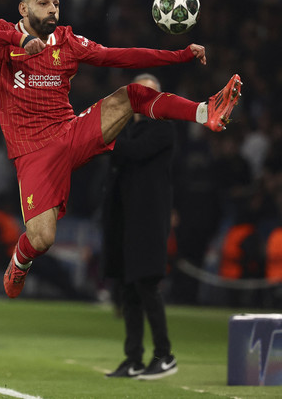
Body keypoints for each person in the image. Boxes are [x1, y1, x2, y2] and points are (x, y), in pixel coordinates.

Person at [0, 0, 242, 299]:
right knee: (42, 239)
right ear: (24, 9)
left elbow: (120, 57)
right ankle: (20, 261)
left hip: (71, 134)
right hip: (33, 152)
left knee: (131, 94)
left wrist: (178, 55)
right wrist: (19, 38)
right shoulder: (2, 33)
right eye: (43, 3)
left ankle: (207, 113)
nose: (52, 8)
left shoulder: (66, 40)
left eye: (56, 2)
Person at [102, 74, 177, 380]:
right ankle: (133, 358)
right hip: (125, 221)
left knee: (147, 287)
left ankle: (164, 355)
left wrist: (108, 132)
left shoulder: (163, 128)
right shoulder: (129, 129)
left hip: (147, 222)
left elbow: (132, 152)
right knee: (129, 290)